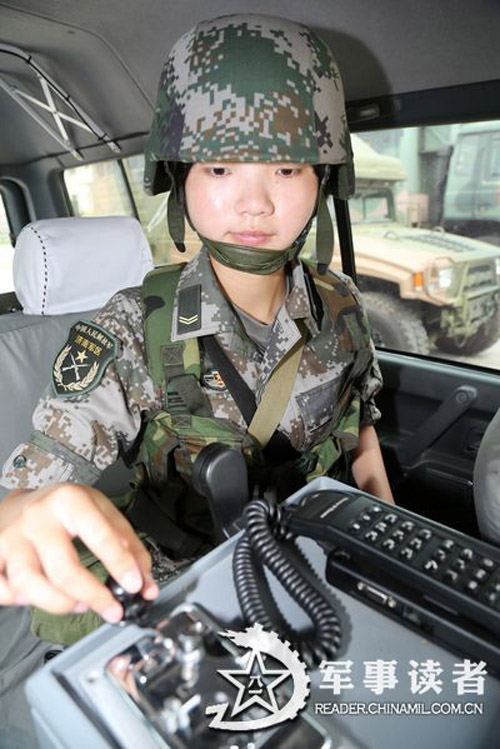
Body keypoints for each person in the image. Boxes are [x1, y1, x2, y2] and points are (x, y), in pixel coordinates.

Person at [0, 13, 393, 745]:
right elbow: (35, 483)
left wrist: (383, 554)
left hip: (312, 567)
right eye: (219, 168)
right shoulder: (131, 326)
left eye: (286, 168)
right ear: (178, 176)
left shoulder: (341, 307)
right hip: (185, 595)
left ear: (322, 180)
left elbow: (361, 437)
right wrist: (18, 513)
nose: (255, 202)